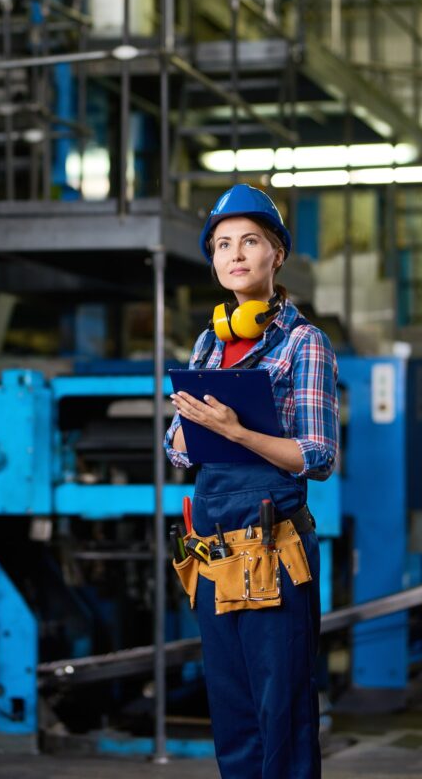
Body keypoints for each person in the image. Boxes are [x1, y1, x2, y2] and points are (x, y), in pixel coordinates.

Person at [165, 183, 339, 779]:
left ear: (277, 254)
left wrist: (236, 431)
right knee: (233, 714)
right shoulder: (208, 346)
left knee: (281, 716)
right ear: (213, 262)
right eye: (222, 245)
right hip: (214, 555)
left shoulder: (303, 343)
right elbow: (177, 449)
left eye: (250, 241)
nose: (235, 254)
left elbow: (316, 454)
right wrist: (195, 426)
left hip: (274, 550)